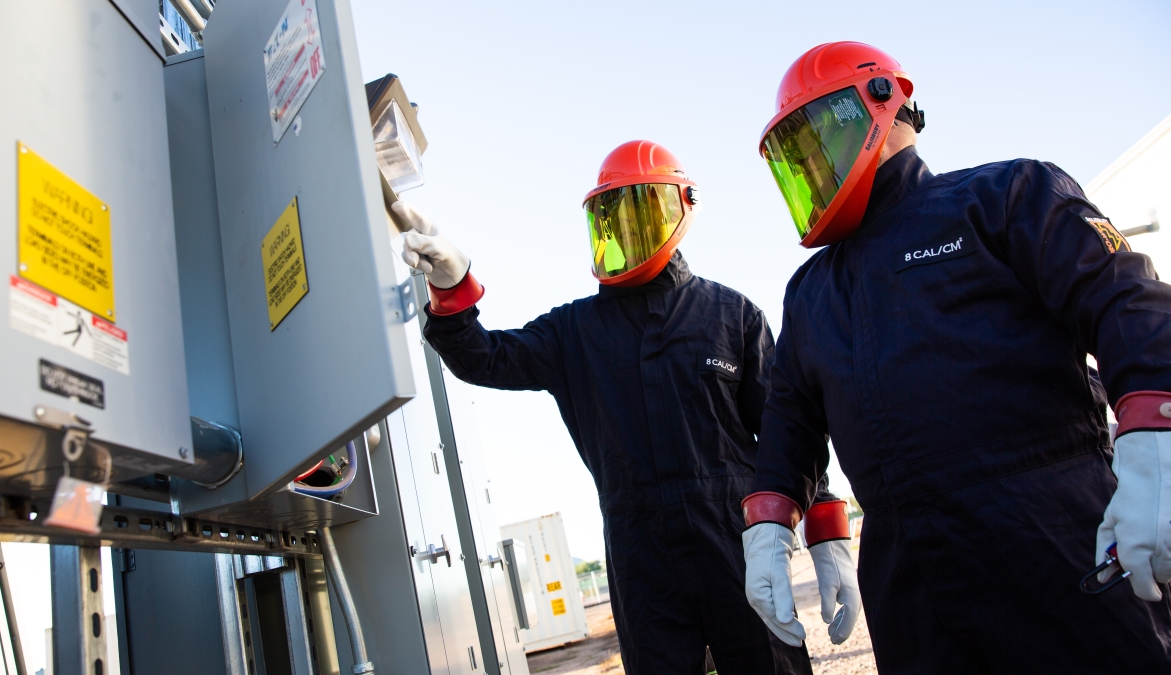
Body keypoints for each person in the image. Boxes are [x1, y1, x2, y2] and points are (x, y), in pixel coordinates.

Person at [740, 41, 1171, 673]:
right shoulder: (810, 291)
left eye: (816, 138)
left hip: (1054, 538)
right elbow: (789, 420)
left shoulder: (1005, 196)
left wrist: (1155, 433)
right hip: (909, 581)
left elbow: (1124, 298)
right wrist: (771, 523)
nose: (810, 165)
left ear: (880, 108)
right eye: (795, 156)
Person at [392, 140, 850, 674]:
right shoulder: (574, 331)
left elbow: (783, 434)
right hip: (640, 552)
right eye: (613, 217)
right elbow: (485, 357)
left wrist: (825, 524)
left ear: (680, 208)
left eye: (641, 212)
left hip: (735, 538)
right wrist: (450, 287)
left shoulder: (731, 315)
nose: (626, 232)